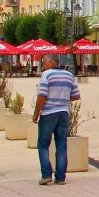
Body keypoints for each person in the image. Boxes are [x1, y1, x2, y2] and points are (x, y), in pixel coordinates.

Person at [32, 54, 81, 185]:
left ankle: (46, 175)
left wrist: (36, 113)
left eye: (44, 63)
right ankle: (60, 177)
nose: (43, 66)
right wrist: (62, 98)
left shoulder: (47, 75)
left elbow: (42, 96)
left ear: (51, 62)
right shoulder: (69, 75)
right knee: (61, 146)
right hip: (64, 113)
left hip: (49, 113)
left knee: (43, 144)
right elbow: (76, 95)